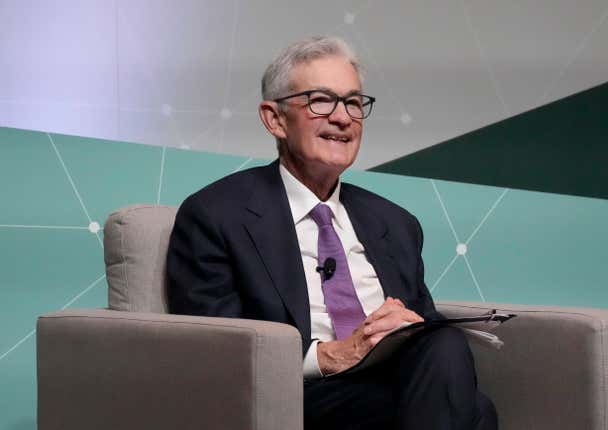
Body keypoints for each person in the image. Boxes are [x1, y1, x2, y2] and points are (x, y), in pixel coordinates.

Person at [166, 35, 497, 430]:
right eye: (320, 100)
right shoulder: (216, 214)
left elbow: (424, 341)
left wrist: (403, 327)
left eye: (354, 102)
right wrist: (331, 355)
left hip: (397, 383)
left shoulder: (395, 223)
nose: (342, 117)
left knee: (444, 345)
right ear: (275, 118)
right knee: (475, 411)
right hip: (301, 395)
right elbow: (216, 352)